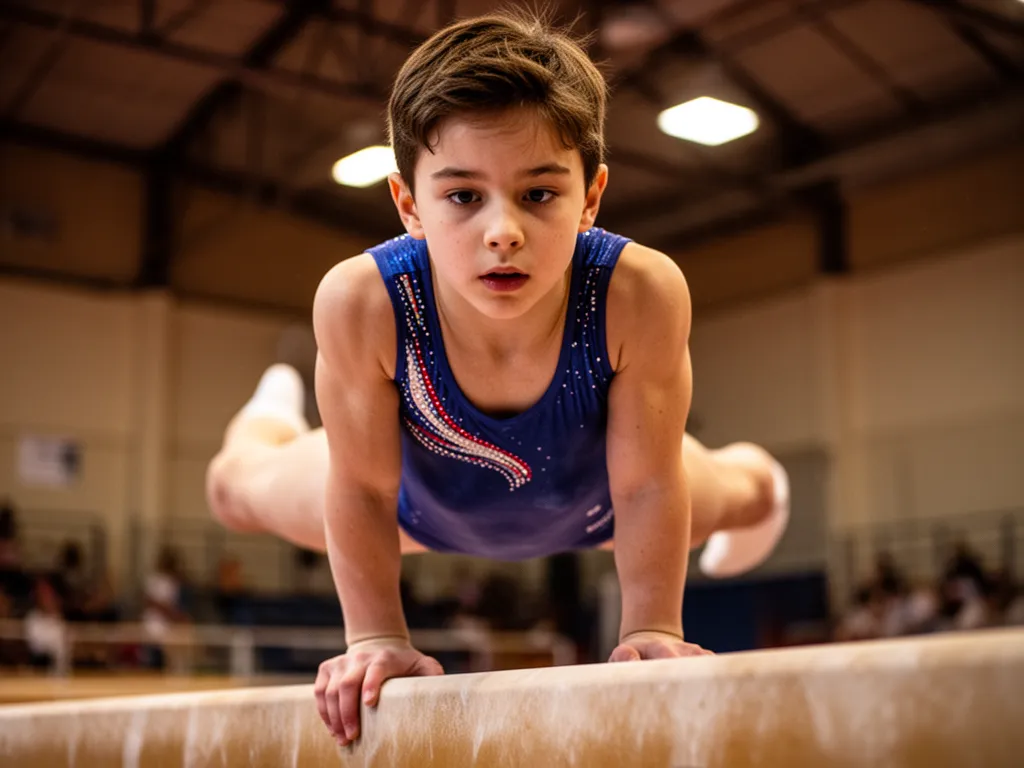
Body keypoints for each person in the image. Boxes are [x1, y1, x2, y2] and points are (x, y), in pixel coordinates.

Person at [205, 11, 791, 748]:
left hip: (607, 498)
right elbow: (359, 490)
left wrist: (652, 628)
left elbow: (645, 486)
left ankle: (766, 482)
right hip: (410, 506)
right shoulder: (364, 302)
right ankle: (273, 413)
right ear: (409, 204)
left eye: (539, 194)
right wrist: (375, 637)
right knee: (233, 490)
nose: (502, 230)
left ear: (592, 196)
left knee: (743, 496)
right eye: (463, 196)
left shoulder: (637, 291)